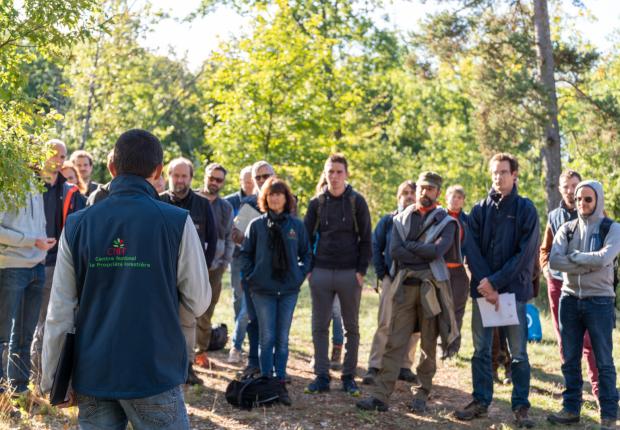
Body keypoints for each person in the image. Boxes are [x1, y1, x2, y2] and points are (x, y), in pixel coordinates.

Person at [41, 129, 211, 430]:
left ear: (111, 168)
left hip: (94, 371)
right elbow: (198, 300)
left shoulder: (78, 224)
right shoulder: (177, 222)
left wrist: (53, 378)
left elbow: (60, 311)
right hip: (154, 368)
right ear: (158, 171)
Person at [357, 171, 461, 413]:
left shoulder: (446, 222)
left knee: (427, 346)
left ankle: (420, 397)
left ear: (437, 192)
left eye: (431, 189)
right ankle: (381, 396)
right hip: (404, 288)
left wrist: (412, 249)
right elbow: (395, 251)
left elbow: (437, 252)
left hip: (430, 290)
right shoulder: (401, 218)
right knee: (394, 341)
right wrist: (422, 250)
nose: (425, 193)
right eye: (422, 188)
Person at [455, 153, 539, 428]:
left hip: (512, 291)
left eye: (503, 172)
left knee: (518, 353)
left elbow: (524, 254)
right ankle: (480, 401)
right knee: (480, 350)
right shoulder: (480, 209)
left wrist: (497, 283)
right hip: (483, 292)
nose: (498, 177)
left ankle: (521, 407)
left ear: (515, 175)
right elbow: (471, 250)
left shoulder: (526, 209)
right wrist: (486, 283)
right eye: (494, 172)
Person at [547, 180, 620, 429]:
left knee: (603, 360)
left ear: (598, 199)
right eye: (578, 199)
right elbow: (554, 261)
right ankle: (570, 409)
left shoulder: (612, 228)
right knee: (569, 359)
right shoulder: (566, 228)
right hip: (569, 299)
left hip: (599, 300)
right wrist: (589, 262)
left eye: (587, 199)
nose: (582, 203)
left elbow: (605, 258)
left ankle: (609, 415)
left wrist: (576, 257)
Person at [239, 177, 312, 405]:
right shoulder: (257, 225)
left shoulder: (296, 226)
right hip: (262, 290)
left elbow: (307, 254)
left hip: (288, 290)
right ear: (265, 198)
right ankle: (266, 381)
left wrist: (299, 276)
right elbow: (246, 254)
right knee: (266, 337)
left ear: (286, 198)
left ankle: (280, 382)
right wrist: (252, 277)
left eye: (279, 194)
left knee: (282, 338)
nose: (275, 198)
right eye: (271, 194)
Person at [304, 153, 372, 396]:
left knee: (351, 328)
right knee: (319, 326)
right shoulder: (317, 203)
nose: (334, 176)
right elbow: (305, 239)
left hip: (349, 273)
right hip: (321, 272)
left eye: (338, 172)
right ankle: (321, 376)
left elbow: (366, 239)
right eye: (330, 171)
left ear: (346, 174)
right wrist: (310, 270)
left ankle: (348, 377)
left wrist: (361, 272)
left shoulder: (357, 202)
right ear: (325, 173)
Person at [539, 170, 600, 398]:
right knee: (565, 337)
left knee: (590, 338)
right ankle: (572, 390)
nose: (570, 190)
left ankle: (598, 388)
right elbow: (544, 249)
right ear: (559, 189)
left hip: (586, 284)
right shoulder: (554, 216)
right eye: (565, 186)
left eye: (574, 185)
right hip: (557, 283)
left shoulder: (593, 210)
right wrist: (547, 270)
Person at [31, 139, 85, 389]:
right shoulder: (28, 184)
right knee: (24, 326)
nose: (59, 159)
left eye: (63, 156)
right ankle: (27, 380)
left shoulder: (69, 190)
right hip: (25, 259)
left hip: (56, 263)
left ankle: (42, 379)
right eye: (55, 154)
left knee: (46, 323)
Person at [159, 157, 217, 380]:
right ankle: (164, 366)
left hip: (191, 274)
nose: (179, 180)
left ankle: (186, 367)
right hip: (163, 274)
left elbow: (212, 239)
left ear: (191, 178)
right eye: (175, 175)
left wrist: (203, 267)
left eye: (184, 176)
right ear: (168, 176)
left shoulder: (203, 204)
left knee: (188, 321)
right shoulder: (159, 200)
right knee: (162, 320)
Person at [0, 176, 56, 396]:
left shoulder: (34, 183)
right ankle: (3, 396)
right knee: (2, 336)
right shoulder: (6, 182)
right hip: (11, 266)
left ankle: (19, 391)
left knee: (25, 335)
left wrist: (40, 244)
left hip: (37, 265)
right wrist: (31, 240)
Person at [363, 180, 420, 386]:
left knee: (414, 326)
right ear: (398, 197)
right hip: (390, 277)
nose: (409, 196)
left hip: (414, 279)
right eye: (405, 193)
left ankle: (404, 366)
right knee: (385, 322)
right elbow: (376, 246)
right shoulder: (388, 220)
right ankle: (375, 365)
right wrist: (382, 273)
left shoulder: (421, 220)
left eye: (413, 193)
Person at [236, 160, 275, 378]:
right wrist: (244, 233)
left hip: (277, 273)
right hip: (251, 271)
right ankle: (253, 362)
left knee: (274, 322)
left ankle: (274, 366)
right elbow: (236, 236)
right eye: (257, 177)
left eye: (265, 175)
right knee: (253, 319)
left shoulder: (286, 200)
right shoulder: (249, 203)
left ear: (274, 174)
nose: (262, 180)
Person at [195, 163, 234, 368]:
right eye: (212, 178)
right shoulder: (193, 200)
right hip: (190, 264)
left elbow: (228, 238)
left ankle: (200, 351)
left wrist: (225, 263)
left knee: (207, 310)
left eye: (219, 180)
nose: (214, 182)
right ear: (205, 177)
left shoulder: (226, 207)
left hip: (215, 267)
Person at [224, 166, 254, 363]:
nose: (250, 183)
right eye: (247, 180)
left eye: (252, 180)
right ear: (240, 181)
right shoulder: (230, 201)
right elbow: (226, 229)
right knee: (238, 296)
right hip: (236, 256)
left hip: (255, 258)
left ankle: (240, 340)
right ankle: (238, 335)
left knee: (249, 302)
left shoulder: (265, 199)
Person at [444, 184, 470, 356]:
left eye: (459, 197)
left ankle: (453, 347)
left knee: (457, 310)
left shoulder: (467, 220)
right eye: (453, 196)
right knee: (441, 308)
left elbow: (470, 245)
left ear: (463, 201)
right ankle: (442, 345)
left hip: (461, 272)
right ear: (447, 198)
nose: (456, 200)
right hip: (441, 270)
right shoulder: (439, 216)